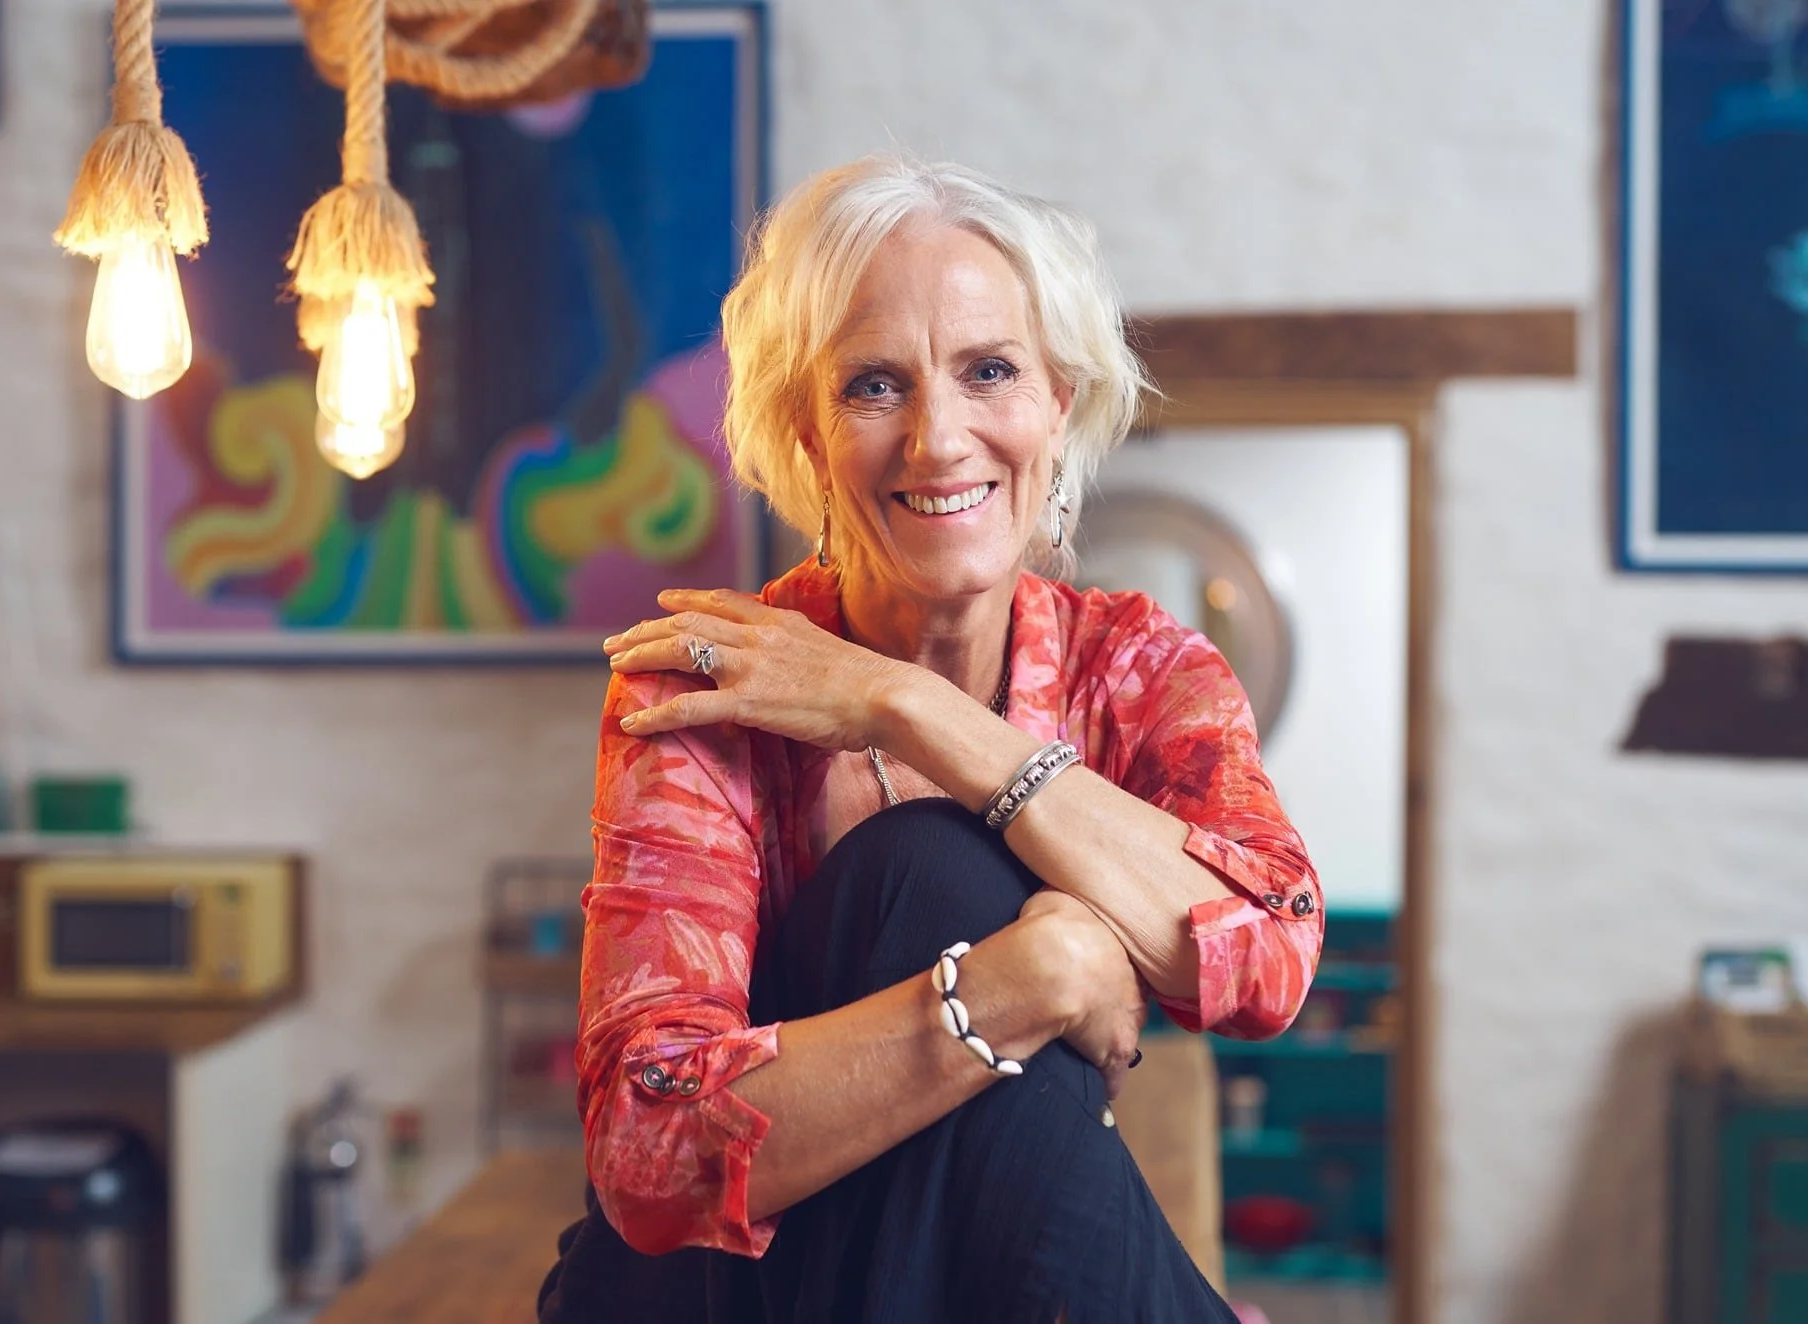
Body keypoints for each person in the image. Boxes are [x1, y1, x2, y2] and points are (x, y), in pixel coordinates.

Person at [536, 154, 1323, 1324]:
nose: (937, 438)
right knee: (928, 869)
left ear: (1056, 404)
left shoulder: (1137, 668)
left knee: (945, 868)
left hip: (948, 1282)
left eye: (988, 370)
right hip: (707, 1297)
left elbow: (1267, 958)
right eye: (872, 386)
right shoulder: (712, 689)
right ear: (805, 433)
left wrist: (913, 711)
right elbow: (650, 1159)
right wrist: (1034, 971)